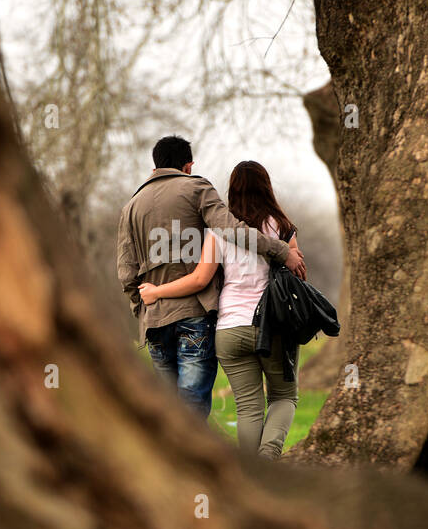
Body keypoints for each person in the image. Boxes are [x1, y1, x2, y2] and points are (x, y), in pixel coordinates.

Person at [117, 138, 306, 418]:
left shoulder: (130, 207)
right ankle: (192, 460)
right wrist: (281, 250)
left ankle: (171, 460)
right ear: (188, 165)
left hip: (155, 317)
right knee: (192, 405)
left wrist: (144, 306)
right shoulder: (196, 188)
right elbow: (231, 230)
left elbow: (126, 272)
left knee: (168, 408)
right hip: (194, 312)